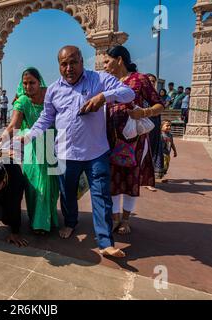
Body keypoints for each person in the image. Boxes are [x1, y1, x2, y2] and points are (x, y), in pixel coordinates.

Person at [18, 46, 135, 258]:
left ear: (82, 61)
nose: (69, 68)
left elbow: (129, 93)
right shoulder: (53, 89)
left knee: (101, 195)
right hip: (65, 153)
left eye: (73, 62)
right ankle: (70, 222)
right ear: (59, 66)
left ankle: (105, 242)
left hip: (96, 152)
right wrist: (26, 137)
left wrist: (104, 97)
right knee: (68, 193)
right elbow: (46, 118)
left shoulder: (99, 79)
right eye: (64, 64)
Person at [103, 46, 164, 235]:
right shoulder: (108, 81)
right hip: (110, 137)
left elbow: (159, 104)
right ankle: (114, 218)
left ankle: (125, 219)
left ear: (119, 59)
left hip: (134, 139)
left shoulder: (140, 79)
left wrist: (143, 113)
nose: (104, 65)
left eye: (107, 61)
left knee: (131, 178)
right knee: (112, 177)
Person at [0, 67, 59, 235]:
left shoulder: (50, 95)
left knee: (50, 184)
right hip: (32, 145)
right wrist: (2, 137)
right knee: (34, 184)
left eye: (32, 83)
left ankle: (47, 219)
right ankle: (38, 223)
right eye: (25, 83)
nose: (28, 86)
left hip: (52, 143)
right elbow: (14, 125)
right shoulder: (22, 101)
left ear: (40, 82)